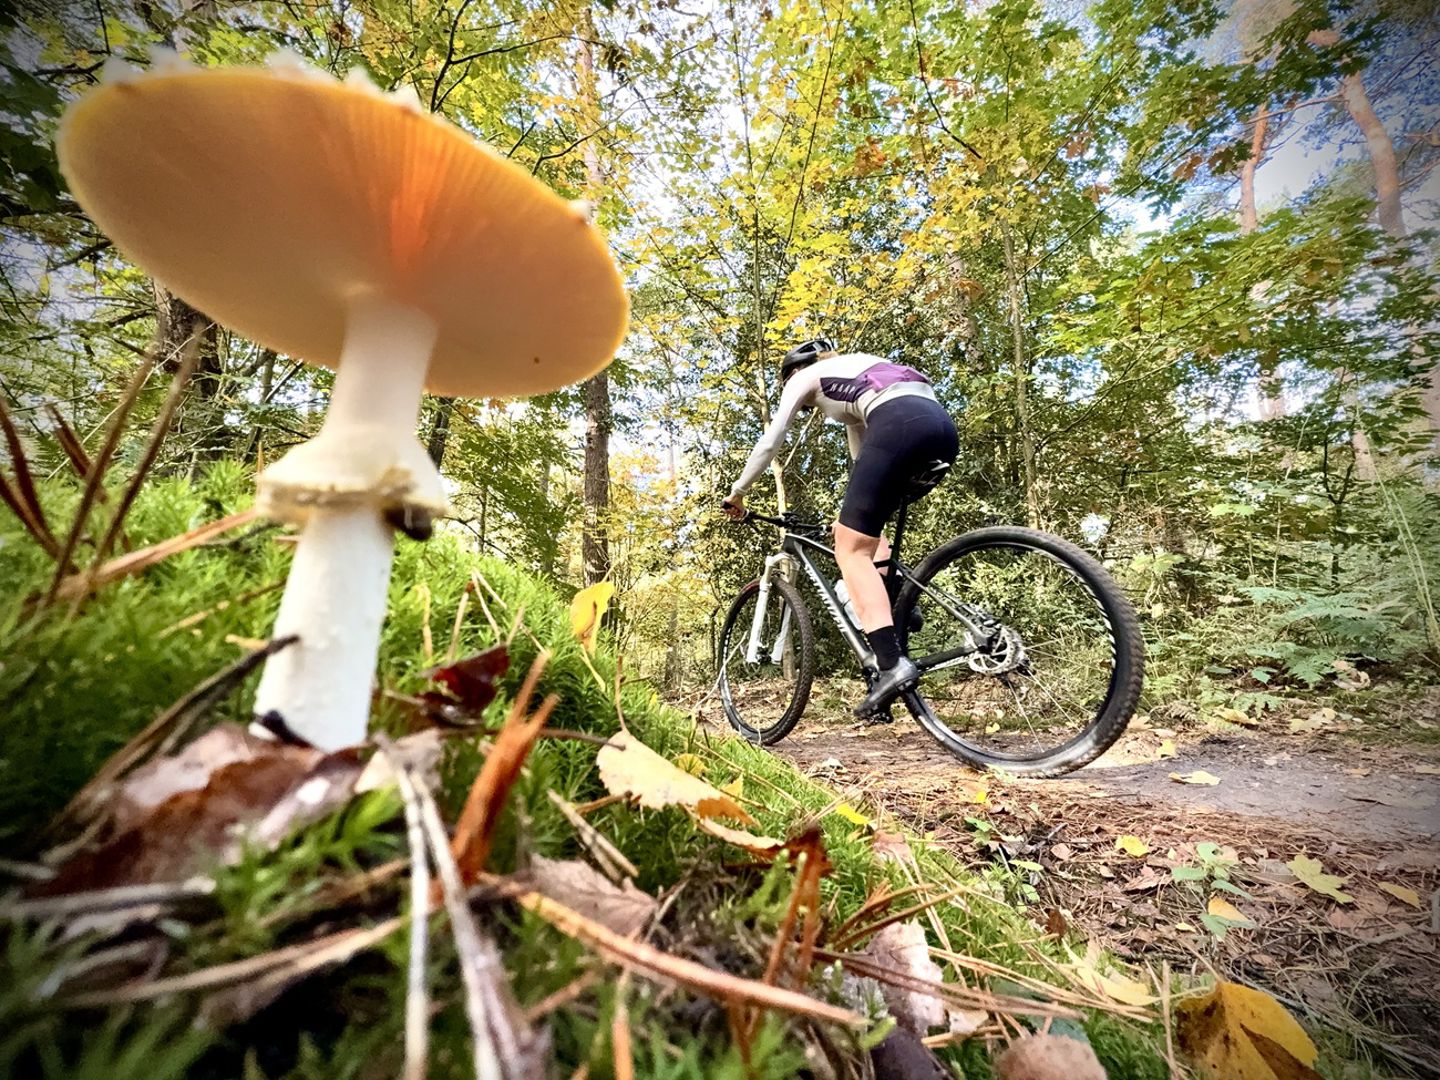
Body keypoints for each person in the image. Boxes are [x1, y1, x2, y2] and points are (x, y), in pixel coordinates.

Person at [722, 338, 959, 717]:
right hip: (941, 430)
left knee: (849, 550)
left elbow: (771, 441)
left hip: (898, 427)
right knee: (863, 535)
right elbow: (862, 464)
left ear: (792, 372)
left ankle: (891, 668)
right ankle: (897, 604)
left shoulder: (806, 376)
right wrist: (847, 519)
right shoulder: (864, 367)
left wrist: (737, 493)